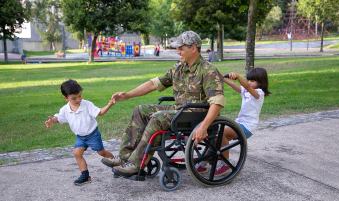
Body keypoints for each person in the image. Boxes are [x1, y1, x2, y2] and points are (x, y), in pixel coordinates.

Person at [101, 30, 226, 176]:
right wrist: (128, 95)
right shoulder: (178, 68)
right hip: (180, 111)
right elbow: (154, 84)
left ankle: (136, 163)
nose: (177, 51)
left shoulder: (208, 70)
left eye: (181, 48)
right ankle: (125, 157)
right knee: (141, 110)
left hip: (196, 115)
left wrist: (204, 127)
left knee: (159, 117)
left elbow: (217, 102)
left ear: (193, 48)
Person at [195, 68, 271, 176]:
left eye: (252, 81)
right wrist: (216, 71)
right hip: (239, 123)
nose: (249, 82)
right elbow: (230, 82)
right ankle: (203, 163)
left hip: (247, 126)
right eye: (248, 80)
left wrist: (239, 77)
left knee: (222, 135)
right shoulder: (245, 90)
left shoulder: (259, 93)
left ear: (261, 82)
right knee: (216, 139)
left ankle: (225, 164)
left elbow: (247, 87)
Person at [45, 79, 115, 185]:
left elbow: (99, 112)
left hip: (92, 135)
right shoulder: (65, 109)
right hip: (80, 137)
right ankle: (85, 175)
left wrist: (109, 104)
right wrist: (51, 121)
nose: (78, 99)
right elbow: (58, 118)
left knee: (102, 152)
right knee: (77, 153)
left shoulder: (87, 104)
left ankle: (118, 165)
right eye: (74, 98)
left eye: (80, 95)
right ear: (66, 98)